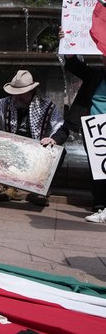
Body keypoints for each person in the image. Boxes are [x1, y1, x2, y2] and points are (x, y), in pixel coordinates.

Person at [0, 69, 66, 207]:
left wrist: (53, 139)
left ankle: (39, 190)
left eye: (21, 94)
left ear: (31, 92)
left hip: (36, 152)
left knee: (60, 151)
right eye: (15, 94)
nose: (17, 98)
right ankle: (6, 186)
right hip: (9, 149)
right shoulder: (4, 103)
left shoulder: (47, 106)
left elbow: (61, 128)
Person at [63, 53, 106, 222]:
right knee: (98, 166)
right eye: (104, 57)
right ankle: (100, 204)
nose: (103, 59)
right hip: (95, 130)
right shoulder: (96, 74)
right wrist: (69, 52)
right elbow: (76, 67)